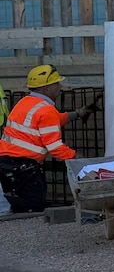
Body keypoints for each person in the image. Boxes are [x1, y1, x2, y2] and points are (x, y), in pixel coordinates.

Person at [0, 63, 78, 214]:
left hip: (6, 161)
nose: (60, 86)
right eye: (56, 83)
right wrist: (76, 157)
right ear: (47, 88)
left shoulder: (25, 102)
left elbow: (43, 122)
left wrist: (75, 114)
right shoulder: (46, 110)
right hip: (23, 166)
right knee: (33, 208)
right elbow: (55, 148)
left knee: (25, 204)